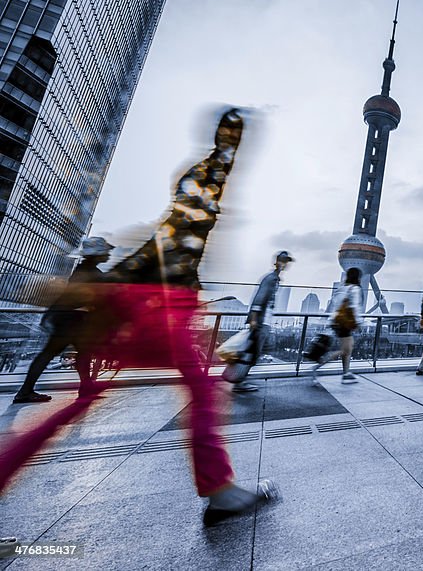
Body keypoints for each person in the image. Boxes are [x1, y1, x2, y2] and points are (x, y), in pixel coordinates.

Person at [0, 108, 277, 526]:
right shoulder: (189, 219)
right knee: (201, 393)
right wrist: (227, 146)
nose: (213, 202)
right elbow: (204, 191)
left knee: (81, 405)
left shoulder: (175, 220)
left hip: (148, 308)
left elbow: (142, 256)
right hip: (164, 312)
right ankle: (220, 490)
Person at [13, 237, 114, 403]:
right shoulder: (89, 273)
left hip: (69, 317)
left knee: (81, 352)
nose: (108, 254)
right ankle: (26, 391)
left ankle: (85, 387)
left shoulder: (86, 270)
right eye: (106, 252)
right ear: (97, 254)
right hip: (70, 319)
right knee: (54, 353)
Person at [230, 251, 294, 393]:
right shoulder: (271, 279)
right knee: (252, 352)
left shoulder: (275, 279)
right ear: (278, 262)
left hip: (265, 322)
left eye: (287, 262)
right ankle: (239, 381)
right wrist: (254, 320)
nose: (285, 265)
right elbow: (259, 298)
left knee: (255, 352)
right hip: (260, 322)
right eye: (284, 261)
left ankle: (240, 379)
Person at [331, 267, 363, 382]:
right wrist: (358, 322)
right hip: (345, 323)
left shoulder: (341, 288)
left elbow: (335, 305)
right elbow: (354, 307)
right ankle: (319, 364)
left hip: (337, 321)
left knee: (347, 349)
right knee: (346, 350)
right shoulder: (354, 289)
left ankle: (346, 373)